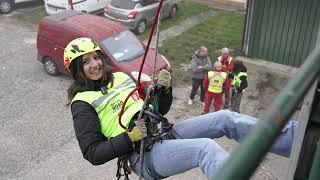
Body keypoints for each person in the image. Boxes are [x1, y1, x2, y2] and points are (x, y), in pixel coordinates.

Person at [66, 37, 296, 180]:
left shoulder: (118, 77)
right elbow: (92, 154)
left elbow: (158, 110)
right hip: (141, 154)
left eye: (96, 58)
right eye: (85, 61)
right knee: (204, 149)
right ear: (77, 69)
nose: (95, 64)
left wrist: (163, 90)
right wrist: (129, 138)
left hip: (162, 133)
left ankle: (294, 139)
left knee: (225, 118)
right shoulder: (82, 102)